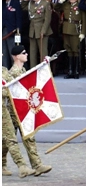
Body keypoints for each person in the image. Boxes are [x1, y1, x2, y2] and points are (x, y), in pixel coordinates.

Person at [7, 45, 52, 176]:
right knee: (8, 140)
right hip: (13, 110)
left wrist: (43, 65)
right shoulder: (13, 72)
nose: (26, 54)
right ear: (16, 57)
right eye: (23, 53)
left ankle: (37, 165)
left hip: (22, 111)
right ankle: (3, 164)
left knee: (27, 137)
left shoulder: (22, 70)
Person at [2, 66, 36, 178]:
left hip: (3, 109)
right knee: (9, 138)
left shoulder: (3, 70)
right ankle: (21, 166)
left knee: (8, 138)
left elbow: (14, 84)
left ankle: (20, 166)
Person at [55, 0, 86, 79]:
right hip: (66, 29)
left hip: (75, 30)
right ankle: (70, 71)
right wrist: (61, 1)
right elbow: (56, 8)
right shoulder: (65, 5)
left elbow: (84, 20)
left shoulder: (80, 6)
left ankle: (76, 71)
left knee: (75, 50)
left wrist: (83, 32)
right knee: (68, 49)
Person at [21, 0, 52, 67]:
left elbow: (47, 19)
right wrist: (26, 0)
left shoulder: (46, 4)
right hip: (32, 30)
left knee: (43, 52)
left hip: (41, 30)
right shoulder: (30, 3)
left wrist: (43, 31)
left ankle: (44, 69)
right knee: (32, 52)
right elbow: (22, 7)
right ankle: (33, 69)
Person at [3, 0, 22, 69]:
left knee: (12, 52)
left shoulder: (16, 3)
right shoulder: (2, 3)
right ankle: (5, 71)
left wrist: (18, 30)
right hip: (3, 30)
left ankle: (15, 70)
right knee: (3, 52)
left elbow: (19, 18)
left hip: (12, 31)